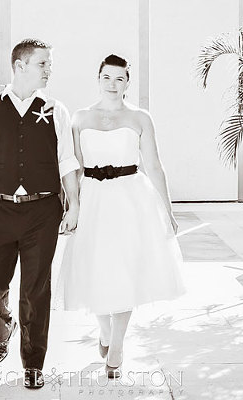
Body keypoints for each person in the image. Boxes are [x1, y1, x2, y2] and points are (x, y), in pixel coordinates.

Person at [0, 38, 80, 389]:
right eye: (43, 63)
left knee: (35, 291)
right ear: (20, 66)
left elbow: (67, 161)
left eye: (49, 64)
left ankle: (33, 363)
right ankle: (3, 329)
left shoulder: (57, 109)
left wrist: (73, 204)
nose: (49, 70)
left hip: (43, 210)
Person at [58, 54, 186, 379]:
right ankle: (104, 330)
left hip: (131, 199)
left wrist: (167, 210)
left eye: (119, 78)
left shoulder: (141, 118)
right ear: (97, 79)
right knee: (94, 268)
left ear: (128, 82)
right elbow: (71, 166)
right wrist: (71, 206)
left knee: (125, 270)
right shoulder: (80, 117)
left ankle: (116, 347)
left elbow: (155, 166)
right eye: (106, 77)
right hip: (93, 200)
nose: (112, 84)